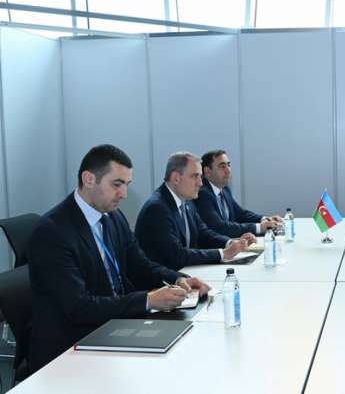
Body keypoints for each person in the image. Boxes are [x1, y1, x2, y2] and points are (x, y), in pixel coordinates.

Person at [27, 145, 210, 372]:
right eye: (117, 184)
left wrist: (179, 278)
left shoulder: (113, 217)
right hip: (70, 346)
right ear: (89, 179)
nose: (124, 194)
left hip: (115, 325)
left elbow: (140, 265)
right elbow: (79, 307)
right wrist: (148, 300)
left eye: (126, 185)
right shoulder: (52, 232)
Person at [136, 152, 255, 270]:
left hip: (187, 272)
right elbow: (176, 255)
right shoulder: (157, 209)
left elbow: (203, 233)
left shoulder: (186, 200)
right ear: (176, 178)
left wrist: (230, 243)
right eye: (195, 176)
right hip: (165, 279)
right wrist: (223, 254)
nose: (200, 183)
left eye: (200, 176)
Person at [194, 149, 281, 238]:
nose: (228, 170)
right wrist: (259, 227)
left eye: (228, 165)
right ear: (207, 171)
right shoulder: (202, 194)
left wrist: (265, 219)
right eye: (222, 166)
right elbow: (219, 227)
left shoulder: (225, 189)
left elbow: (240, 214)